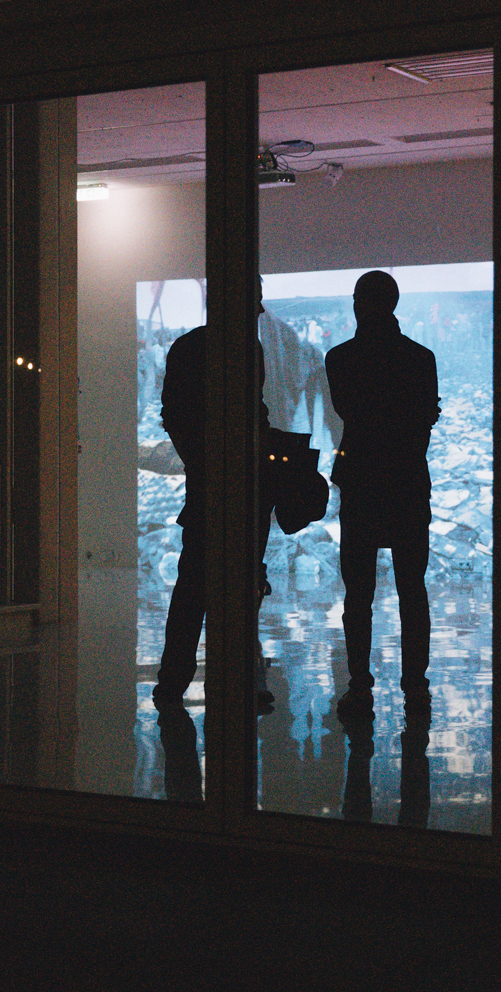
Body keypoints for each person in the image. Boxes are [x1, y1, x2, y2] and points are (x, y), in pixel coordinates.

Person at [325, 271, 441, 719]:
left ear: (359, 303)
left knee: (358, 594)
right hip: (408, 482)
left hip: (361, 483)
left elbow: (348, 412)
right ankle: (415, 686)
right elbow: (422, 419)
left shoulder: (340, 359)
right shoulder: (421, 359)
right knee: (413, 590)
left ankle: (360, 685)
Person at [153, 294, 276, 710]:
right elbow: (255, 412)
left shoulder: (188, 347)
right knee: (243, 584)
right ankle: (239, 678)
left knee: (192, 587)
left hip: (206, 487)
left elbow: (173, 414)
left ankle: (172, 682)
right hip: (246, 487)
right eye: (256, 300)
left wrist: (198, 460)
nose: (260, 310)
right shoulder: (249, 350)